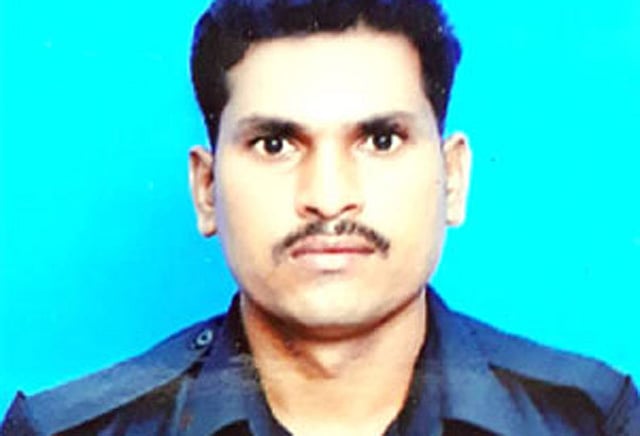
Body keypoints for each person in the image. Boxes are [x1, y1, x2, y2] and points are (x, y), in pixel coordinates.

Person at [2, 0, 639, 434]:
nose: (329, 197)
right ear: (206, 188)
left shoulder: (589, 421)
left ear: (453, 178)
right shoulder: (67, 431)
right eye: (275, 144)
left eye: (380, 140)